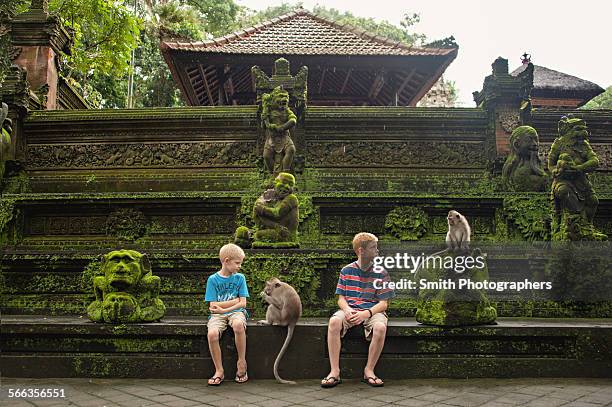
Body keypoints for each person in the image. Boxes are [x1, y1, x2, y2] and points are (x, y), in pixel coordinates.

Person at [321, 232, 394, 388]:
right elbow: (341, 298)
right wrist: (347, 310)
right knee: (334, 322)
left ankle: (369, 370)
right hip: (351, 309)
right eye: (374, 247)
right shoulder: (346, 271)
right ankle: (334, 372)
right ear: (361, 251)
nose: (377, 251)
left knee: (380, 327)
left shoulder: (382, 273)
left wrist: (365, 314)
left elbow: (384, 304)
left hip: (372, 311)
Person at [205, 243, 250, 385]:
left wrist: (224, 308)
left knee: (238, 325)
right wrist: (234, 300)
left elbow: (243, 303)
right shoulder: (213, 280)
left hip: (236, 312)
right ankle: (219, 370)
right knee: (212, 334)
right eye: (237, 263)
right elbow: (212, 306)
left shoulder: (240, 278)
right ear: (226, 261)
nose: (239, 266)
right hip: (217, 315)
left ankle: (242, 362)